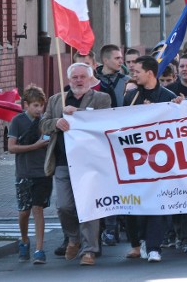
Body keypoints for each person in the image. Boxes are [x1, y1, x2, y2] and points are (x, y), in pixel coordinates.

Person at [40, 63, 111, 265]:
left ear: (90, 79)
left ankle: (89, 250)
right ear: (69, 80)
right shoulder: (56, 100)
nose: (79, 81)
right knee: (64, 206)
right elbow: (42, 125)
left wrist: (78, 113)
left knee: (88, 206)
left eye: (82, 77)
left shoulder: (102, 99)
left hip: (90, 163)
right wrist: (56, 122)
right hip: (63, 161)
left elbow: (105, 123)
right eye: (75, 77)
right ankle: (73, 238)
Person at [122, 56, 176, 262]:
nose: (133, 75)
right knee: (134, 205)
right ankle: (139, 241)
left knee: (156, 204)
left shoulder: (168, 97)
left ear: (150, 73)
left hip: (161, 160)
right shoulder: (131, 97)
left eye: (136, 71)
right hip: (135, 160)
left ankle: (154, 247)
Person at [7, 84, 52, 264]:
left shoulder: (45, 121)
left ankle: (39, 249)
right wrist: (35, 146)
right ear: (26, 105)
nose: (39, 109)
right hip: (24, 172)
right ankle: (24, 239)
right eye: (35, 106)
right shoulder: (18, 121)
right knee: (24, 211)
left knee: (38, 209)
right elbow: (11, 148)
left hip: (43, 172)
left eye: (41, 105)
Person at [96, 44, 130, 246]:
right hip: (99, 140)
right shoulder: (93, 82)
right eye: (117, 58)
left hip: (121, 140)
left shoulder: (127, 82)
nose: (121, 61)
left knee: (117, 183)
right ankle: (103, 226)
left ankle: (113, 225)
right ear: (106, 60)